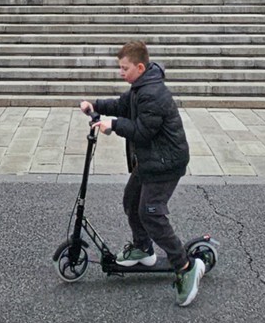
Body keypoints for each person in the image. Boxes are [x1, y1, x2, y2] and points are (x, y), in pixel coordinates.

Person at [79, 40, 202, 307]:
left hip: (165, 163)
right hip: (149, 161)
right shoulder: (139, 88)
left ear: (140, 66)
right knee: (131, 201)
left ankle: (185, 266)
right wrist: (96, 106)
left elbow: (143, 132)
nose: (120, 72)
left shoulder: (153, 94)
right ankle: (143, 248)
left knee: (151, 212)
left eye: (124, 68)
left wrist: (113, 124)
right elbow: (122, 106)